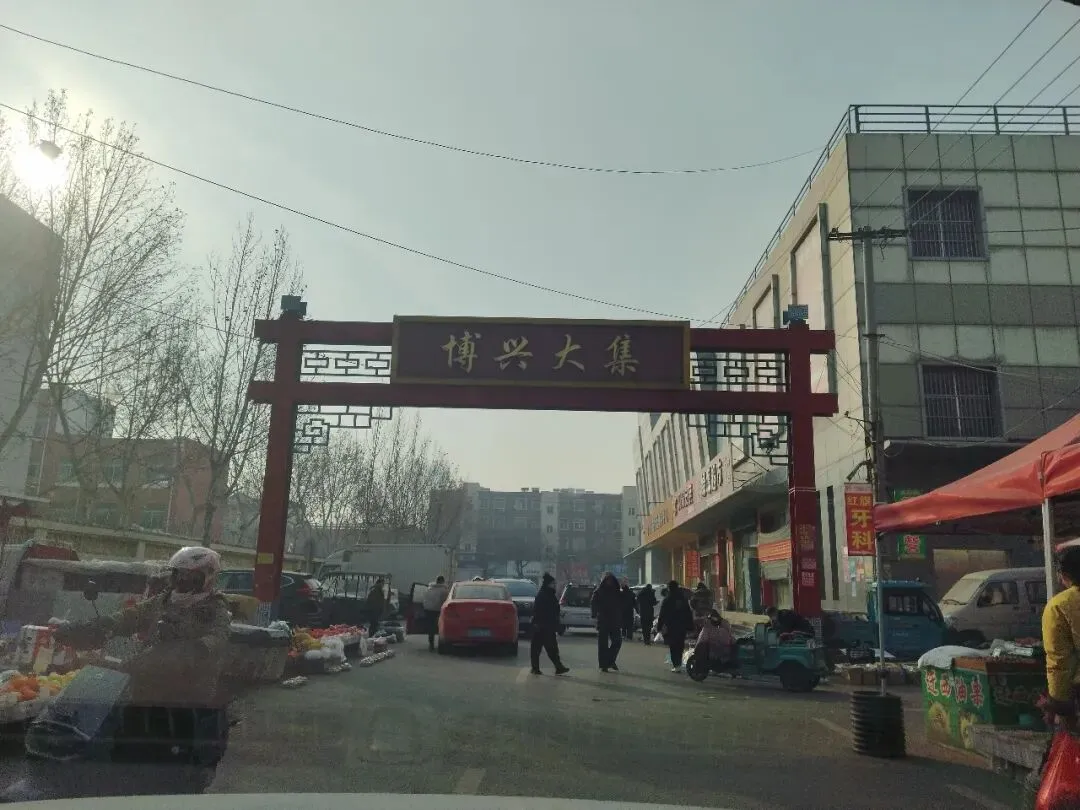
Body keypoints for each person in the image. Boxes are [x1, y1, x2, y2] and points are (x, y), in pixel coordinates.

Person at [53, 546, 231, 709]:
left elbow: (212, 643)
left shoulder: (214, 611)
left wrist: (175, 650)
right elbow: (131, 616)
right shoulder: (164, 600)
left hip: (186, 701)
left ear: (206, 579)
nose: (180, 581)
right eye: (177, 575)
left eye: (187, 577)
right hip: (148, 690)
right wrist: (95, 628)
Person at [530, 573, 569, 675]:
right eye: (553, 584)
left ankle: (558, 667)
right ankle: (535, 668)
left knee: (552, 648)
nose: (554, 585)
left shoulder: (550, 594)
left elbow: (554, 611)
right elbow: (538, 611)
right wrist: (538, 623)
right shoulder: (542, 595)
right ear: (548, 584)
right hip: (541, 626)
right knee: (537, 649)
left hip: (548, 626)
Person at [656, 580, 694, 672]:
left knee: (673, 645)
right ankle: (678, 663)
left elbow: (662, 614)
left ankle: (676, 665)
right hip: (682, 626)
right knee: (680, 645)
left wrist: (659, 626)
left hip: (671, 626)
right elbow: (688, 613)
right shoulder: (683, 599)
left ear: (669, 588)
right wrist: (690, 626)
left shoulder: (667, 599)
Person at [591, 573, 623, 672]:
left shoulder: (617, 592)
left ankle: (610, 660)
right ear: (604, 581)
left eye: (611, 581)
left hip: (615, 621)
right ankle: (603, 665)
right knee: (603, 644)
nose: (610, 583)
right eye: (608, 580)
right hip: (603, 621)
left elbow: (626, 601)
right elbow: (593, 603)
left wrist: (625, 588)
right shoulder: (599, 591)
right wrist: (594, 614)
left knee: (617, 641)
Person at [421, 575, 450, 652]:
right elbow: (446, 602)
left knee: (431, 627)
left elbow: (424, 599)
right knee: (441, 627)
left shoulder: (429, 588)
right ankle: (441, 644)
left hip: (428, 610)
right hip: (438, 610)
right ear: (443, 581)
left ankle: (431, 644)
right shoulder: (444, 590)